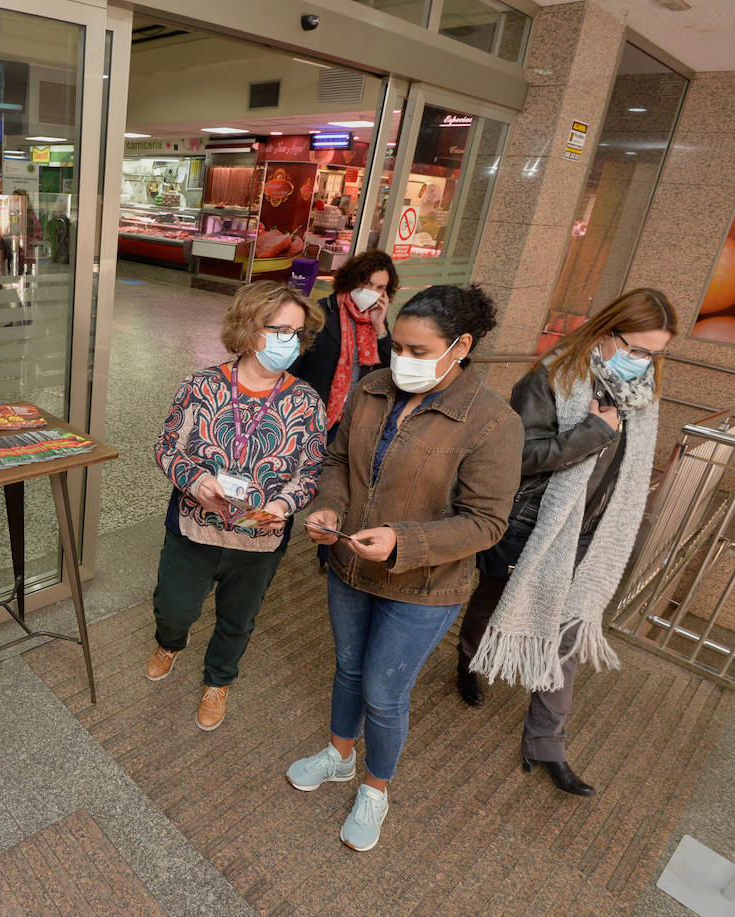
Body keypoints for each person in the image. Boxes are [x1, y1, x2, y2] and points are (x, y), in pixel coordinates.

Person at [286, 284, 524, 852]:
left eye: (420, 352)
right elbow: (338, 460)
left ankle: (376, 787)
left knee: (384, 691)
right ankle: (340, 755)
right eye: (399, 347)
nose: (403, 361)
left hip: (423, 585)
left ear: (460, 346)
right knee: (348, 668)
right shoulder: (372, 388)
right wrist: (329, 506)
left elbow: (486, 523)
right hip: (351, 566)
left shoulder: (492, 423)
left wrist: (402, 540)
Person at [458, 289, 677, 797]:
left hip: (592, 533)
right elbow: (520, 455)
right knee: (493, 598)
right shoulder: (550, 378)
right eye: (637, 349)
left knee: (569, 635)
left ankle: (546, 743)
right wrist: (594, 432)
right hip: (531, 522)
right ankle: (471, 661)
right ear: (607, 331)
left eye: (654, 354)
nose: (643, 362)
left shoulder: (640, 394)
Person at [149, 281, 328, 732]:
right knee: (175, 608)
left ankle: (218, 680)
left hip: (260, 539)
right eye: (282, 330)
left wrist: (284, 506)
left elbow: (311, 471)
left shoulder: (307, 403)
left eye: (298, 334)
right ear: (249, 329)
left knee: (238, 618)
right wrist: (195, 480)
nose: (292, 342)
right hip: (194, 527)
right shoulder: (202, 385)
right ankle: (170, 642)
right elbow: (167, 445)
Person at [287, 250, 398, 433]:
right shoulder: (320, 313)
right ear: (352, 279)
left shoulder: (377, 319)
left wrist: (380, 329)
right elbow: (293, 363)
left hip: (350, 419)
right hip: (309, 415)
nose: (372, 292)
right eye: (367, 283)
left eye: (380, 288)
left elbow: (387, 370)